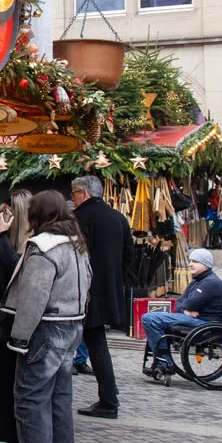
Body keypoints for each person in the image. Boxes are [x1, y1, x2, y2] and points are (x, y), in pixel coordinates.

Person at [0, 190, 91, 443]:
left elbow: (33, 296)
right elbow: (87, 281)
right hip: (71, 325)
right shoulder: (75, 244)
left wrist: (19, 337)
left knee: (30, 398)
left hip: (46, 328)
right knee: (59, 398)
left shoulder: (42, 247)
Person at [70, 175, 133, 420]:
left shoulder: (80, 218)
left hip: (85, 292)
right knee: (97, 343)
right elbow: (129, 256)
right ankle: (109, 397)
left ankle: (109, 400)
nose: (72, 198)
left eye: (74, 193)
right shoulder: (118, 217)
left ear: (84, 194)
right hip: (108, 291)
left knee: (95, 345)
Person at [0, 189, 32, 443]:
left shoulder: (33, 242)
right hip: (4, 316)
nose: (1, 216)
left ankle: (22, 433)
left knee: (21, 377)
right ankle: (7, 431)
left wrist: (0, 238)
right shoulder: (2, 239)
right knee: (4, 375)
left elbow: (19, 272)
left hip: (24, 317)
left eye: (6, 211)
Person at [142, 248, 222, 375]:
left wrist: (184, 307)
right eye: (190, 260)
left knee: (150, 319)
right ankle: (162, 361)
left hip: (205, 323)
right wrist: (185, 311)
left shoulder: (210, 283)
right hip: (196, 319)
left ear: (205, 265)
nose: (190, 264)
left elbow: (188, 303)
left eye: (195, 261)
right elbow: (179, 303)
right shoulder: (198, 280)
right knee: (151, 318)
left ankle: (164, 363)